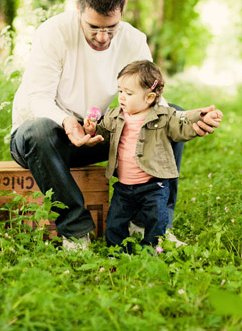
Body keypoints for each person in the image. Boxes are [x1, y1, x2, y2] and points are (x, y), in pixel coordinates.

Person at [9, 0, 221, 251]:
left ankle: (149, 225)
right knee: (39, 130)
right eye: (93, 27)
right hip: (46, 139)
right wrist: (67, 123)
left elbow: (154, 100)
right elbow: (38, 98)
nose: (102, 37)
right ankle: (75, 231)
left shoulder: (133, 40)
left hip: (97, 134)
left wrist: (188, 119)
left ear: (122, 11)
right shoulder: (53, 33)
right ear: (78, 9)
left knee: (166, 119)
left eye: (111, 28)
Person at [83, 60, 222, 251]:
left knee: (156, 220)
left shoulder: (162, 117)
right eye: (120, 91)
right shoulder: (115, 116)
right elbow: (103, 132)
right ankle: (116, 251)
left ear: (149, 98)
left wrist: (200, 120)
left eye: (129, 93)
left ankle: (152, 248)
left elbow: (181, 126)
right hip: (124, 186)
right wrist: (92, 129)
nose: (122, 97)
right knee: (115, 220)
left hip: (152, 185)